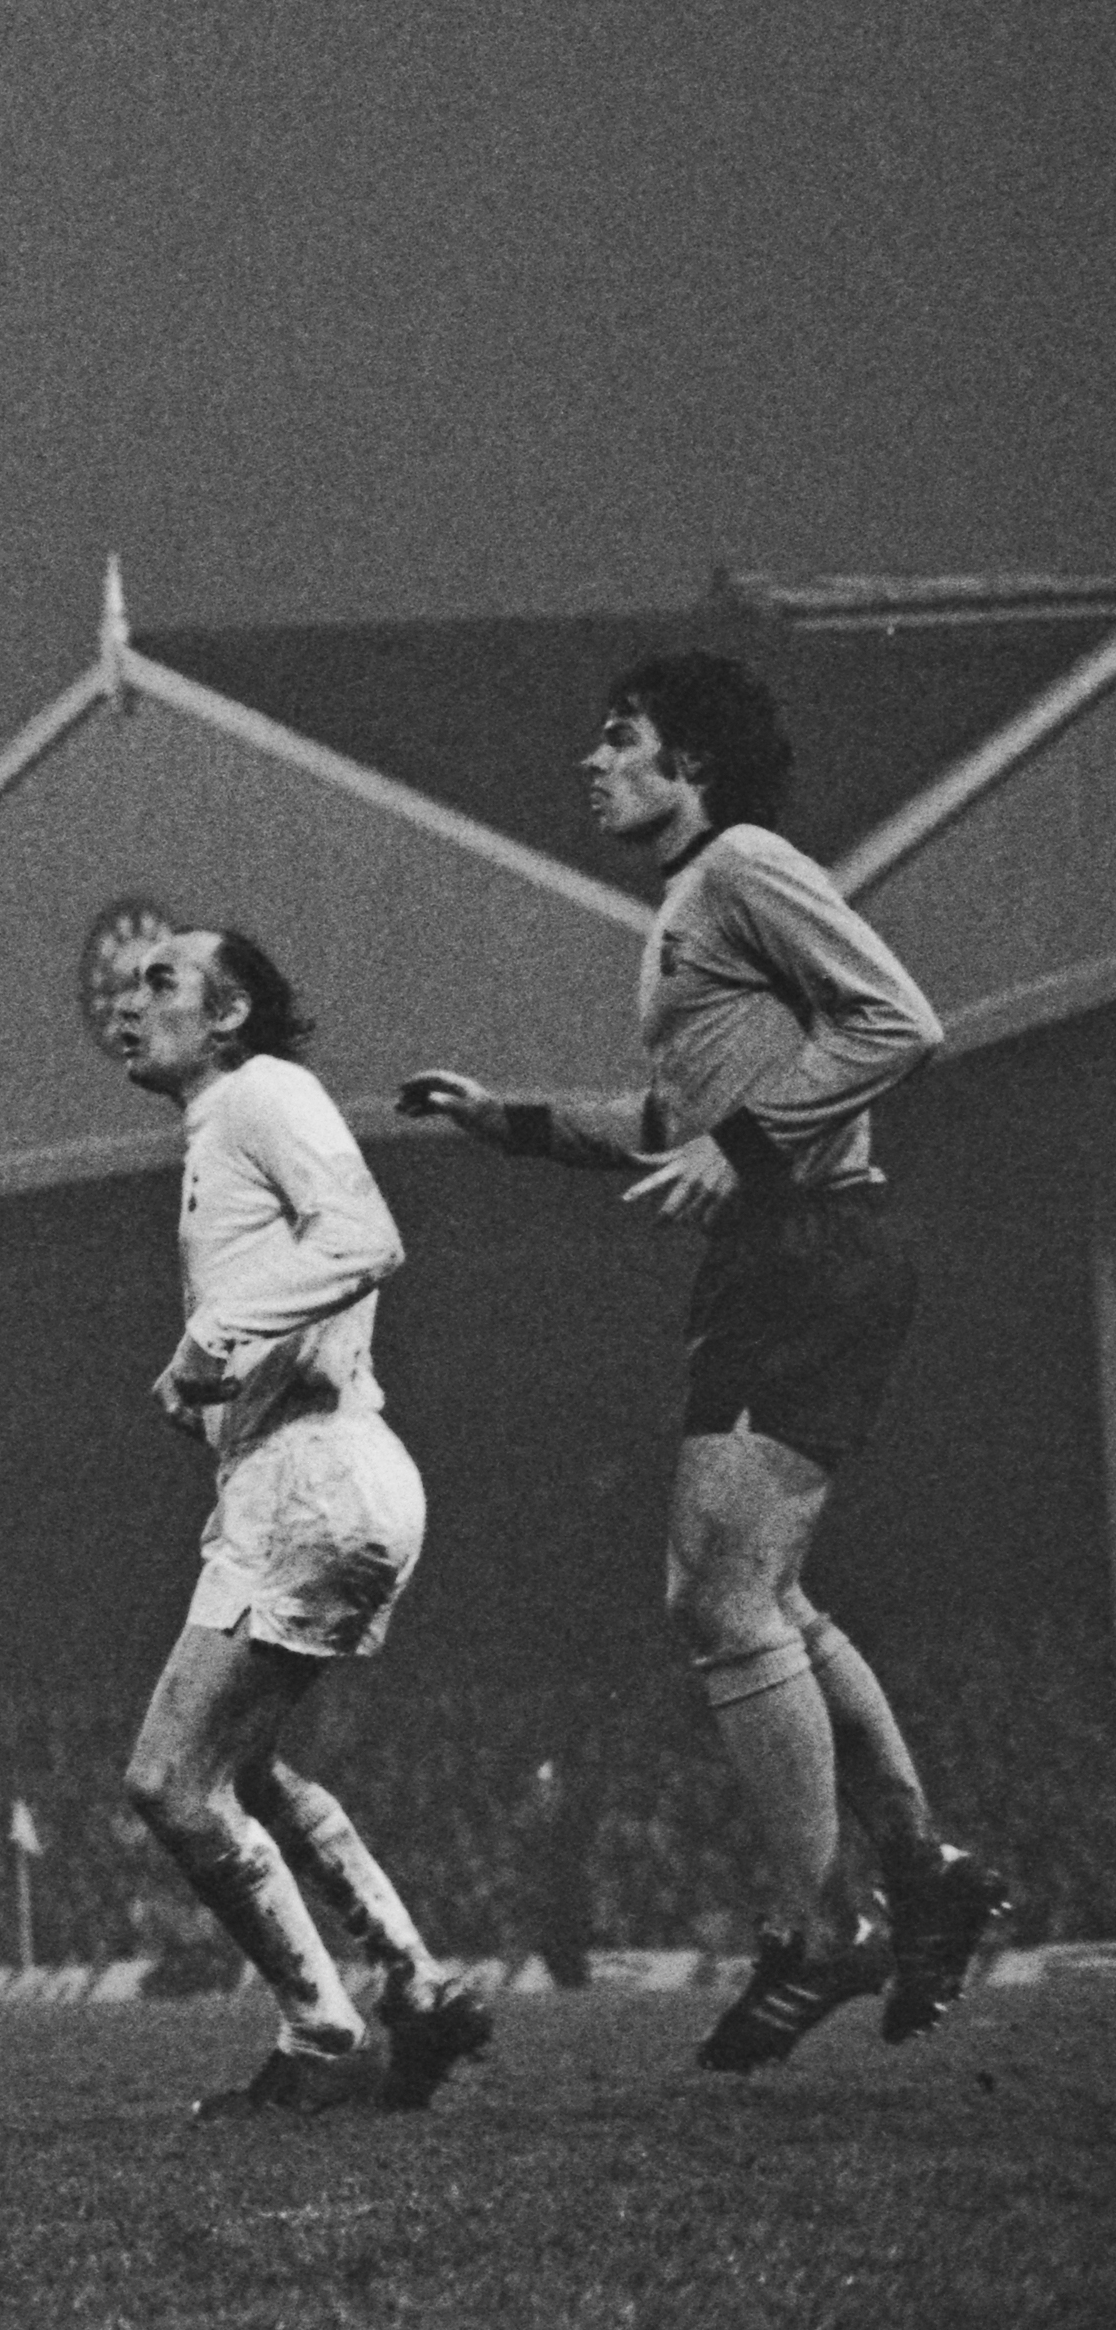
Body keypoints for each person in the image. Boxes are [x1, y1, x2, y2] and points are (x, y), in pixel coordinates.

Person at [401, 649, 1004, 2066]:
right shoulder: (686, 906)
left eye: (622, 739)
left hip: (812, 1246)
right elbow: (677, 1121)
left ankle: (822, 1927)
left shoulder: (744, 863)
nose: (591, 762)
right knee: (752, 1591)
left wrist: (746, 1150)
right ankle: (918, 1869)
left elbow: (901, 1020)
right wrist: (514, 1123)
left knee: (724, 1597)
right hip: (784, 1252)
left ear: (696, 768)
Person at [92, 918, 485, 2115]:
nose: (127, 1002)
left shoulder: (264, 1089)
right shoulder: (220, 1125)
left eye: (161, 981)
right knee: (246, 1772)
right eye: (121, 986)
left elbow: (367, 1238)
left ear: (228, 1015)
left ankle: (323, 2032)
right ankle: (416, 1991)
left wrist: (214, 1343)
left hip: (312, 1474)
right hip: (308, 1468)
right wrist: (218, 1395)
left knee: (168, 1780)